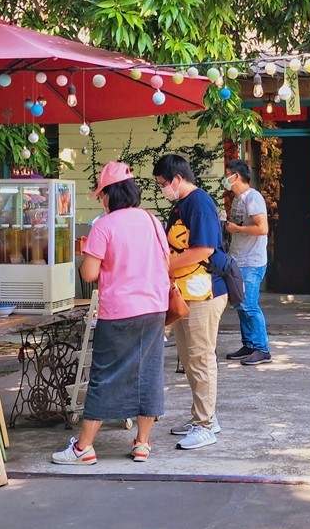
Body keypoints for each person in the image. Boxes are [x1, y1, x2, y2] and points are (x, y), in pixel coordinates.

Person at [52, 162, 170, 465]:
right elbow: (165, 261)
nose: (100, 200)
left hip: (118, 312)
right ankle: (142, 444)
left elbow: (89, 274)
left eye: (101, 194)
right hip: (155, 308)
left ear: (110, 194)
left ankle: (83, 448)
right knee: (149, 373)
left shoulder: (104, 225)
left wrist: (85, 258)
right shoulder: (152, 221)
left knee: (105, 376)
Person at [153, 153, 228, 450]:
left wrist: (161, 268)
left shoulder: (198, 203)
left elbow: (203, 249)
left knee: (200, 358)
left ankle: (205, 424)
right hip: (187, 293)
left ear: (178, 179)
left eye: (163, 183)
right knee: (189, 360)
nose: (162, 188)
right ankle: (204, 416)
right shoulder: (183, 205)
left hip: (203, 292)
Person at [222, 159, 271, 365]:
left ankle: (262, 349)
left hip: (252, 261)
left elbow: (262, 228)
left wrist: (237, 229)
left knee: (249, 305)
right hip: (238, 260)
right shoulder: (238, 199)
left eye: (227, 175)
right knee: (241, 305)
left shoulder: (253, 197)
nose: (225, 179)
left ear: (236, 176)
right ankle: (249, 344)